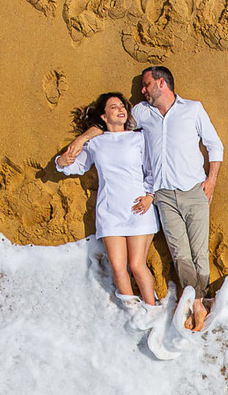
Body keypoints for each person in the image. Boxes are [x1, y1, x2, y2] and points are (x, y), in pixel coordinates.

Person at [66, 66, 224, 332]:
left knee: (199, 252)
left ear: (161, 84)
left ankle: (197, 302)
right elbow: (110, 128)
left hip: (195, 190)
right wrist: (85, 137)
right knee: (180, 254)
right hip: (162, 195)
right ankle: (195, 302)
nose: (142, 90)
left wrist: (212, 179)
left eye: (146, 84)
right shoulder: (141, 112)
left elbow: (214, 144)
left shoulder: (193, 109)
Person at [57, 93, 158, 308]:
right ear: (104, 116)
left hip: (139, 208)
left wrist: (150, 196)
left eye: (122, 106)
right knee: (118, 266)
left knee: (137, 264)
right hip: (110, 210)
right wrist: (62, 160)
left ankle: (153, 311)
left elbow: (152, 169)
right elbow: (75, 166)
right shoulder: (96, 143)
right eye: (114, 107)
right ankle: (133, 313)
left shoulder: (139, 137)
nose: (121, 110)